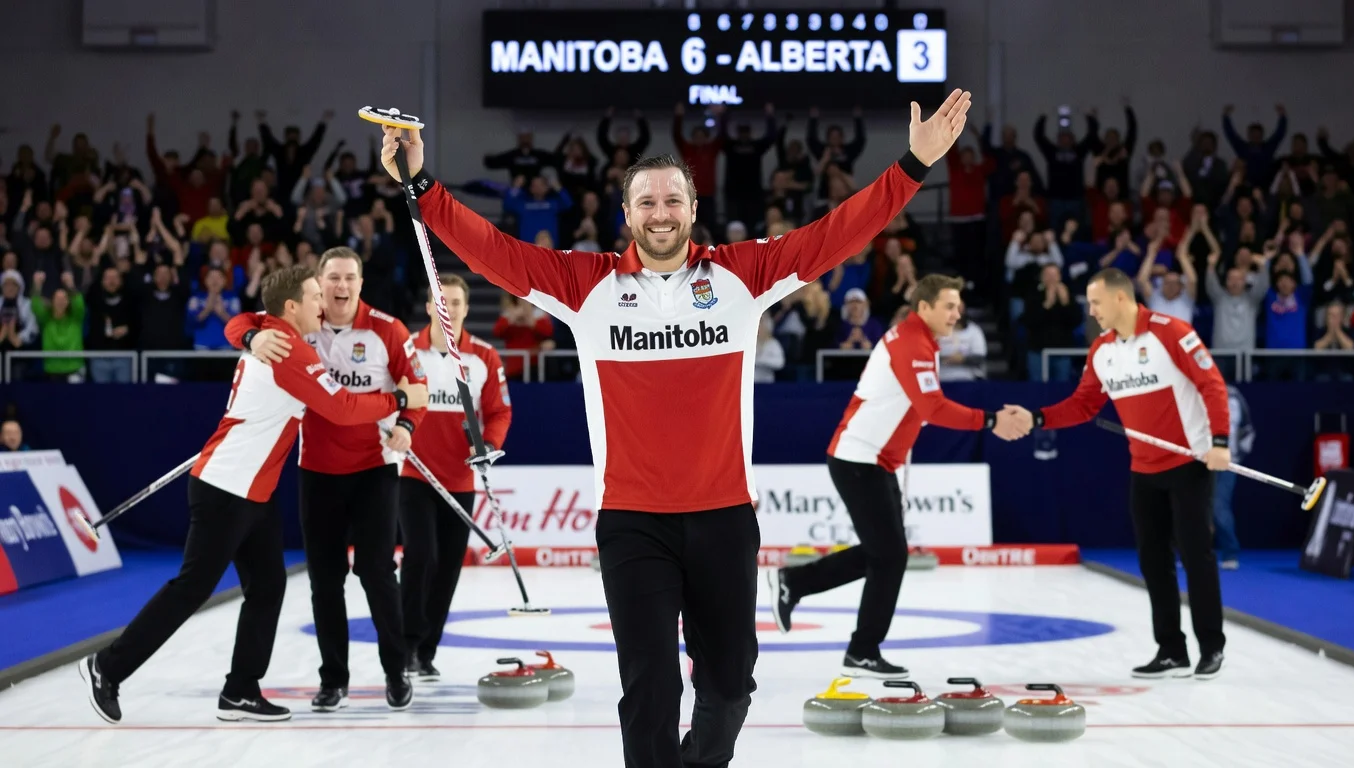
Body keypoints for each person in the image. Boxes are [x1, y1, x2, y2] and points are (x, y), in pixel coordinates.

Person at [379, 88, 973, 768]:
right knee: (650, 690)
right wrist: (421, 183)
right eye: (647, 202)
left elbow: (837, 232)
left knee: (729, 686)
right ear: (626, 213)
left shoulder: (741, 276)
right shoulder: (586, 285)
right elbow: (491, 250)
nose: (661, 213)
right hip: (632, 521)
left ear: (694, 208)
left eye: (672, 200)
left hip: (724, 516)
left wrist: (912, 166)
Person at [79, 265, 429, 724]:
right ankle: (108, 666)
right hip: (228, 486)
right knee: (192, 588)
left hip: (254, 492)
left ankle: (241, 689)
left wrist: (246, 335)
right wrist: (401, 401)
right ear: (291, 307)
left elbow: (243, 322)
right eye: (313, 296)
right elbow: (342, 409)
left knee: (268, 586)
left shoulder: (272, 334)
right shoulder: (289, 352)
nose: (323, 303)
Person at [769, 274, 1027, 679]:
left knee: (885, 552)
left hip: (876, 460)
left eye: (959, 306)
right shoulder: (912, 343)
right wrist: (992, 420)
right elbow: (933, 410)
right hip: (859, 459)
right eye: (949, 306)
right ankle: (857, 645)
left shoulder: (920, 340)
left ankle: (801, 588)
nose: (957, 314)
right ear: (923, 307)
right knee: (889, 554)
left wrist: (899, 475)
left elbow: (911, 416)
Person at [224, 247, 427, 712]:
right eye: (332, 278)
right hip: (317, 470)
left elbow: (416, 391)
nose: (340, 286)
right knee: (325, 580)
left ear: (361, 282)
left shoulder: (387, 329)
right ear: (318, 285)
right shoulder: (302, 328)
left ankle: (396, 670)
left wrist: (407, 426)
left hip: (374, 470)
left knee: (377, 573)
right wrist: (251, 338)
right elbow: (240, 321)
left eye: (349, 277)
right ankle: (333, 679)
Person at [1008, 268, 1231, 681]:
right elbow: (1083, 405)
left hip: (1189, 465)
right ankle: (1170, 650)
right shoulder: (1102, 351)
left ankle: (1211, 647)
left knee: (1196, 557)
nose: (1091, 312)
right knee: (1152, 561)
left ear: (1120, 299)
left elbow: (1211, 384)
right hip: (1143, 471)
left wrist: (1219, 442)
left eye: (1095, 303)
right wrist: (1037, 417)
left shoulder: (1171, 332)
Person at [400, 274, 511, 679]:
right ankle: (407, 644)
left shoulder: (484, 357)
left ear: (466, 308)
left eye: (457, 302)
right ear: (430, 306)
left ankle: (426, 651)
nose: (449, 308)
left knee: (448, 565)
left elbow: (499, 412)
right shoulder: (407, 350)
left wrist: (485, 446)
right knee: (420, 554)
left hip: (459, 480)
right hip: (413, 473)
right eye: (441, 301)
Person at [1213, 385, 1254, 570]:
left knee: (1219, 506)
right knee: (1194, 506)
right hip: (1200, 459)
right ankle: (1192, 552)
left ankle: (1230, 552)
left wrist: (1239, 453)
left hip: (1228, 461)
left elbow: (1247, 429)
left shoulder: (1235, 396)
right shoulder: (1194, 391)